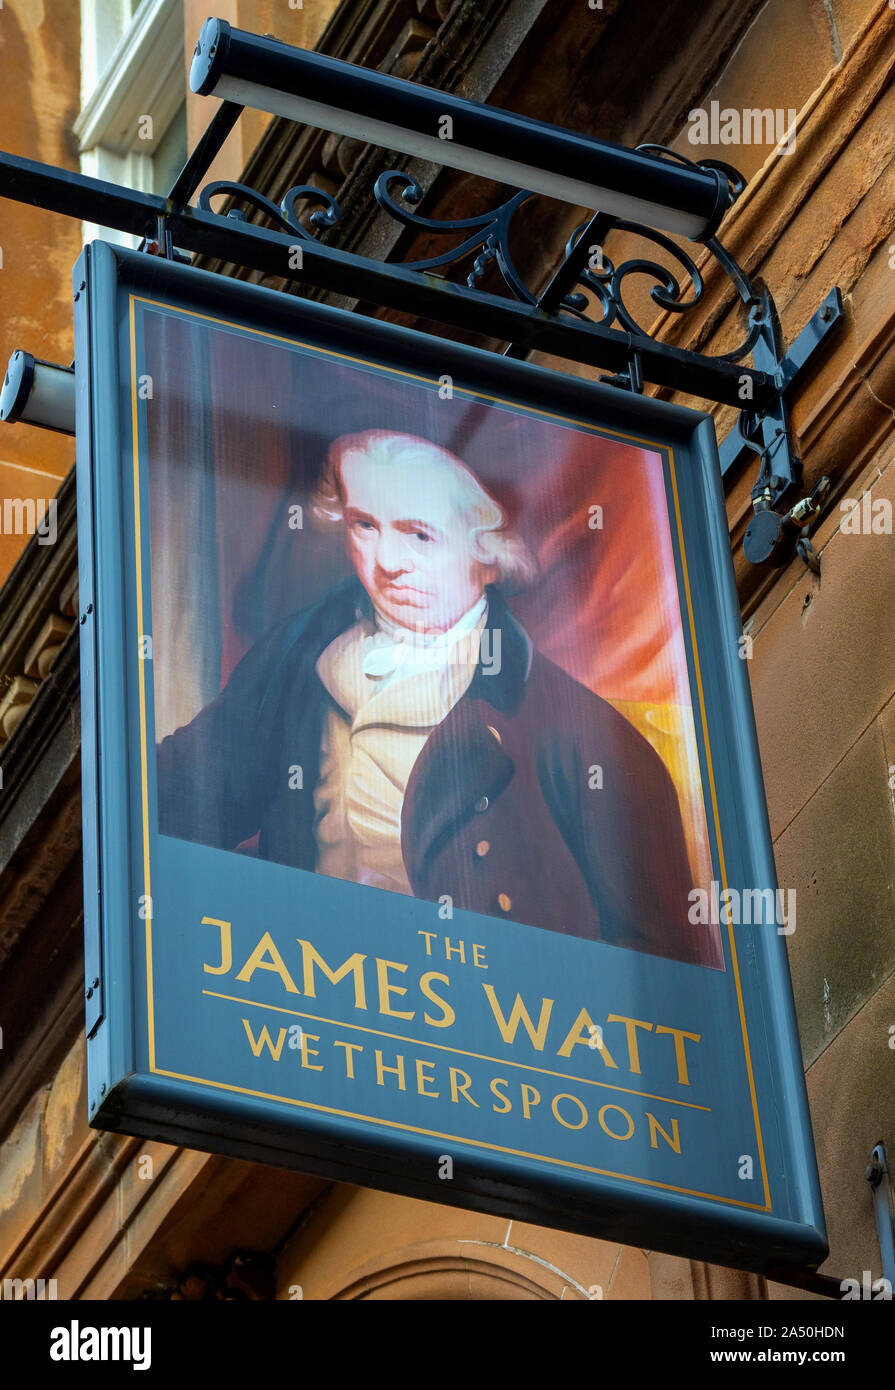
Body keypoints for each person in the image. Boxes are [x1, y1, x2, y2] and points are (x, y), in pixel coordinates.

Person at [156, 429, 701, 964]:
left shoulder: (580, 737)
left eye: (419, 535)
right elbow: (180, 799)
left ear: (487, 556)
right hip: (314, 1005)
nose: (388, 561)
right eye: (364, 525)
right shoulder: (296, 662)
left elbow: (663, 968)